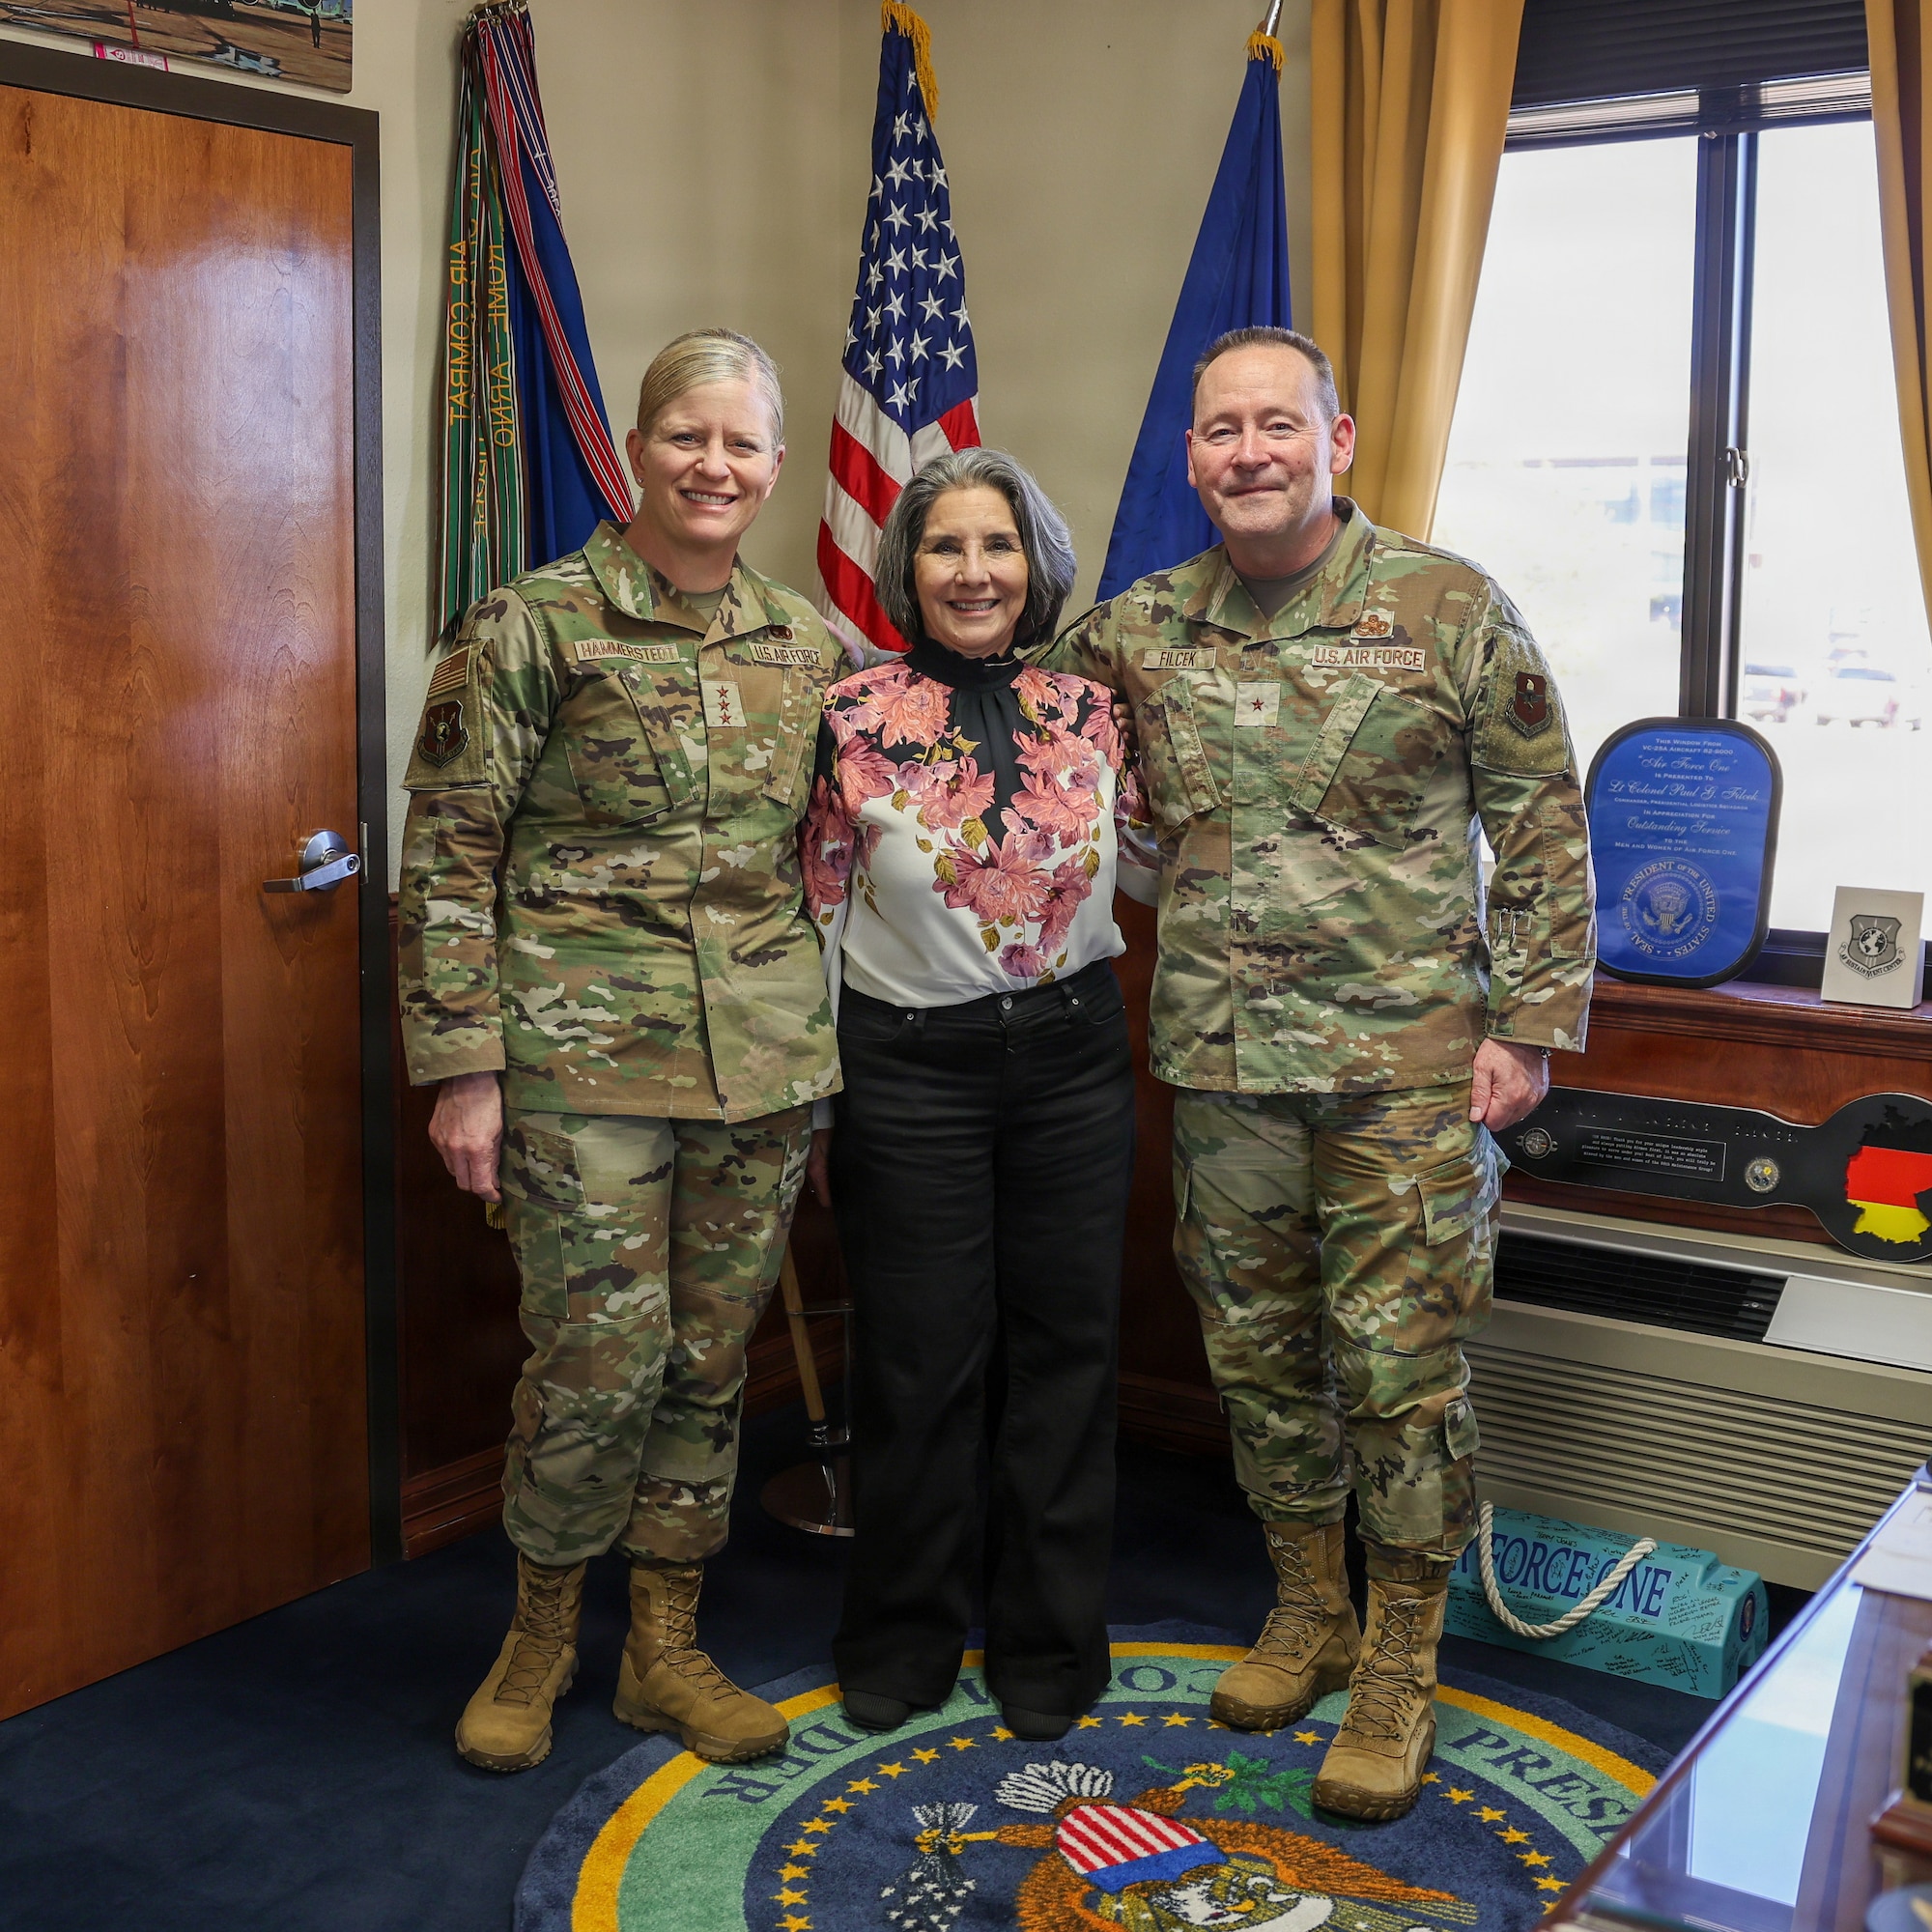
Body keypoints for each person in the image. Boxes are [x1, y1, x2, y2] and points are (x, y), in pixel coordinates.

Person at [1041, 327, 1596, 1820]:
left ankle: (1405, 1652)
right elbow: (1017, 747)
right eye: (1222, 431)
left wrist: (1529, 1026)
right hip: (1224, 1069)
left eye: (1276, 425)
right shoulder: (1140, 629)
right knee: (1258, 1357)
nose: (1248, 453)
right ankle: (1310, 1605)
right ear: (1193, 459)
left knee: (1399, 1373)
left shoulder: (1447, 606)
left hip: (1407, 1073)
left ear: (1335, 441)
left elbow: (1541, 817)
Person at [398, 328, 849, 1774]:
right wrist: (464, 1067)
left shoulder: (810, 644)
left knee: (710, 1362)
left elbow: (838, 857)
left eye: (740, 444)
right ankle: (538, 1637)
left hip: (760, 1068)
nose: (713, 465)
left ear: (777, 469)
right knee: (596, 1358)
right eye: (685, 438)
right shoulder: (529, 626)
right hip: (577, 1062)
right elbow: (452, 849)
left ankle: (664, 1645)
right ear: (636, 451)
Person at [800, 447, 1156, 1742]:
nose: (972, 571)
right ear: (908, 569)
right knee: (918, 1363)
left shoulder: (1094, 708)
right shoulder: (850, 714)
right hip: (909, 1071)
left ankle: (1051, 1645)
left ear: (1035, 563)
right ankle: (901, 1638)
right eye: (945, 547)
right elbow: (821, 915)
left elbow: (1173, 862)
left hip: (1068, 1063)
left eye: (996, 546)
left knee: (1066, 1358)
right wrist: (830, 1106)